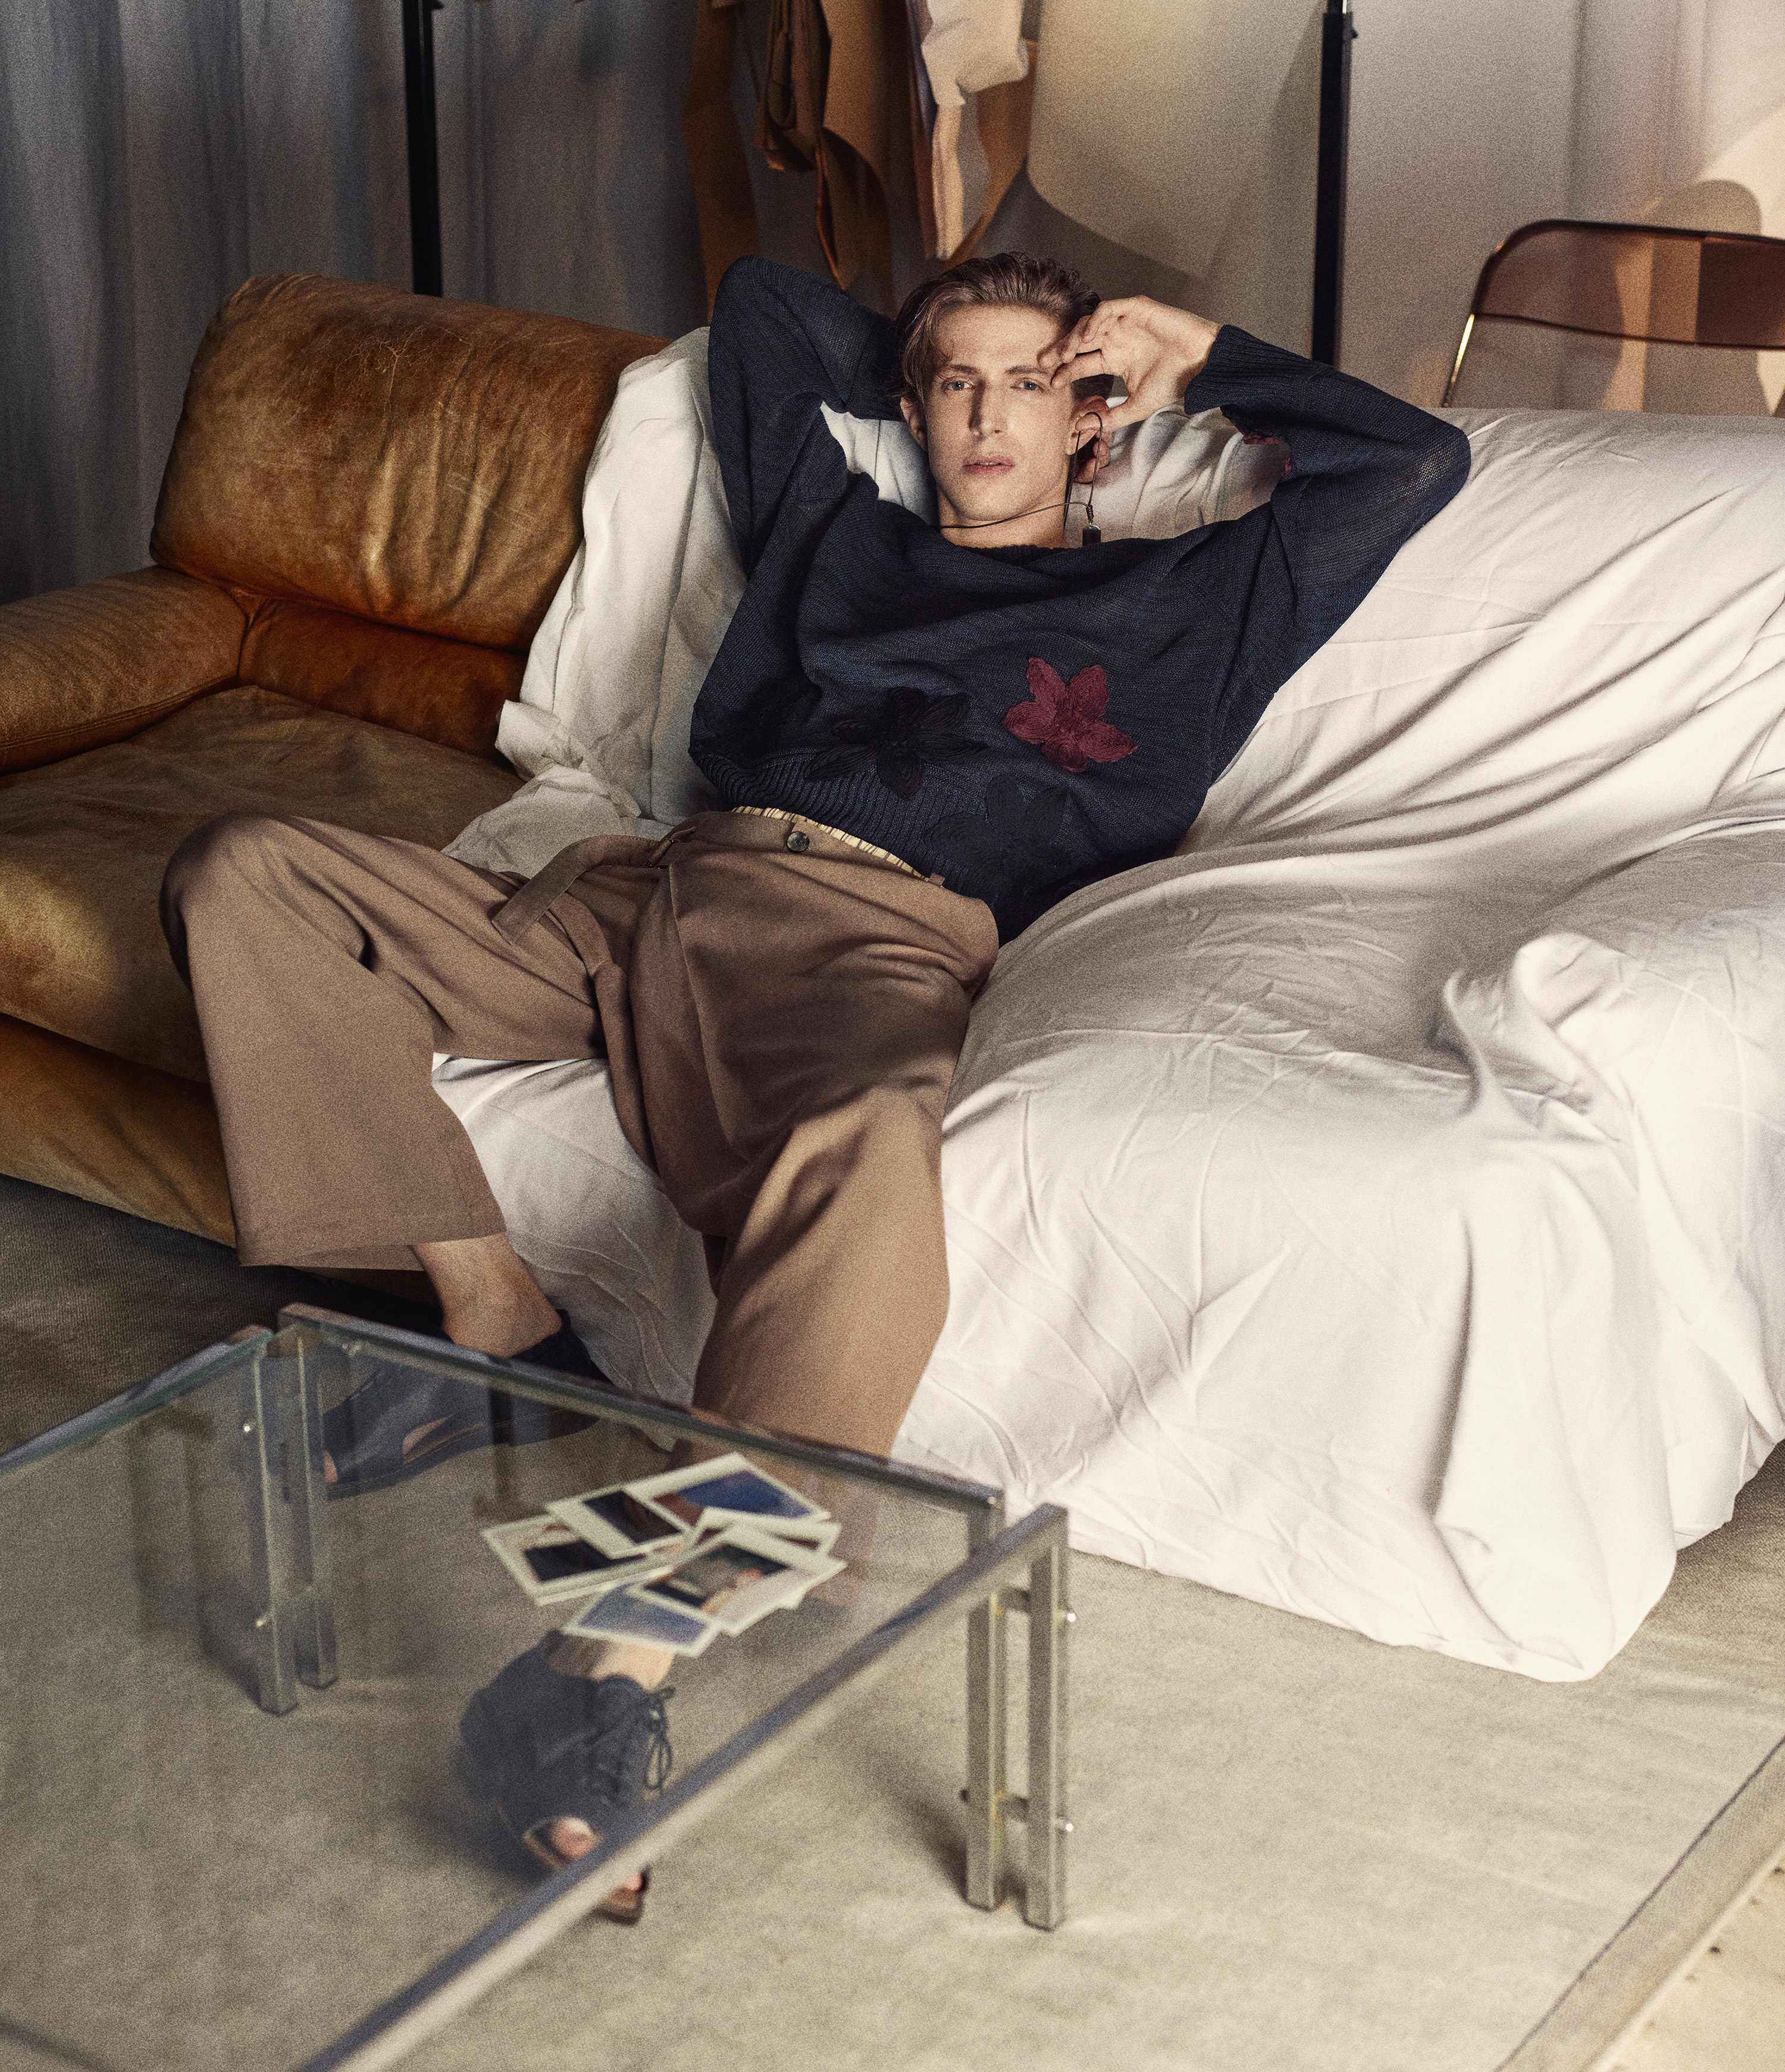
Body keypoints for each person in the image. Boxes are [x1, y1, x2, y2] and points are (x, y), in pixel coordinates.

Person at [161, 251, 1471, 1902]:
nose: (989, 418)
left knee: (868, 1144)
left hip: (874, 942)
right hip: (650, 891)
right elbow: (769, 307)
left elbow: (1414, 462)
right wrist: (942, 348)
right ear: (914, 410)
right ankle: (493, 1322)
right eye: (956, 387)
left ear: (1092, 418)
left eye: (1031, 387)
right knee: (246, 874)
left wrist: (1186, 351)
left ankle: (604, 1658)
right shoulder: (838, 533)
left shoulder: (1191, 605)